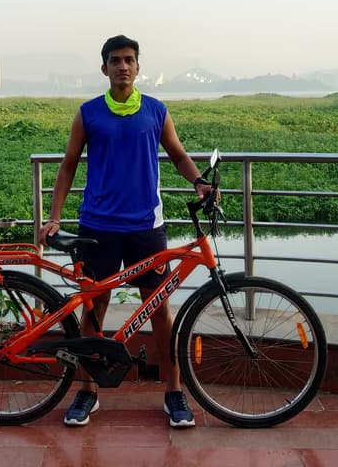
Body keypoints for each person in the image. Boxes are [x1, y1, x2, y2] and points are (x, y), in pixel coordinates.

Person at [37, 34, 212, 428]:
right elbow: (67, 166)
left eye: (129, 60)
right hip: (97, 225)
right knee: (93, 307)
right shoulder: (89, 113)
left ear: (138, 66)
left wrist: (199, 180)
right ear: (104, 68)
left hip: (146, 226)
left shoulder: (156, 111)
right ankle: (87, 391)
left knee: (159, 308)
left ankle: (174, 392)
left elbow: (179, 155)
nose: (122, 66)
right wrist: (54, 216)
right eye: (115, 60)